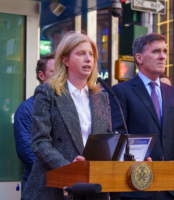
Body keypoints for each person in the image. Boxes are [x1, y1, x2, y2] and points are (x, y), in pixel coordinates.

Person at [22, 31, 111, 200]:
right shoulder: (47, 92)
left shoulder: (101, 97)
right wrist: (69, 168)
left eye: (91, 54)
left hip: (93, 188)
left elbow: (106, 141)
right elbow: (40, 142)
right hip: (53, 189)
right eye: (81, 53)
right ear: (65, 60)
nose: (88, 59)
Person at [109, 33, 174, 200]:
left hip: (171, 186)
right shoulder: (121, 92)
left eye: (164, 51)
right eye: (156, 51)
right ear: (139, 58)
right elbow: (118, 138)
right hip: (137, 185)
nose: (163, 56)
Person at [13, 52, 55, 195]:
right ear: (41, 75)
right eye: (54, 71)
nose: (60, 76)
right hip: (38, 185)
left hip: (64, 182)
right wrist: (60, 170)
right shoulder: (26, 109)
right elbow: (27, 151)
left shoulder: (68, 105)